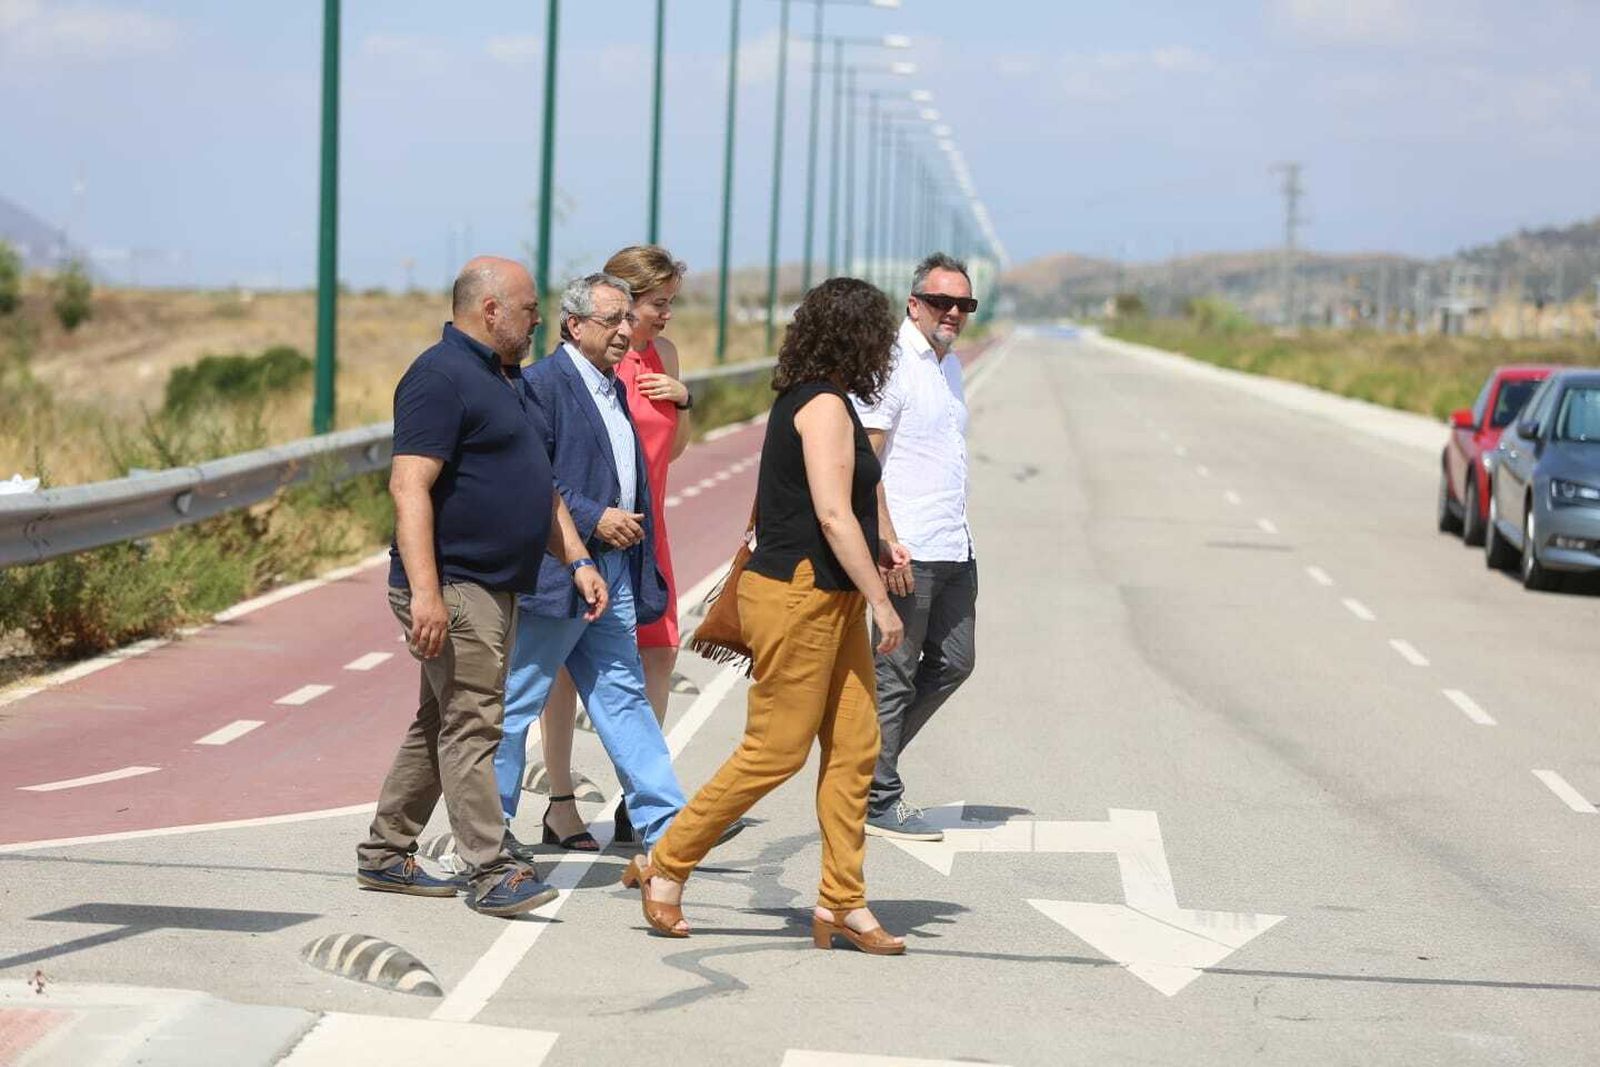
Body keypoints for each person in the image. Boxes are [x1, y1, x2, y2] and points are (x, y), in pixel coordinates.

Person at [621, 277, 909, 956]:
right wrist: (881, 599)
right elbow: (835, 516)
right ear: (857, 335)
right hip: (801, 593)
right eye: (880, 331)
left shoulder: (819, 400)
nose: (887, 345)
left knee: (856, 745)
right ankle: (668, 860)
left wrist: (879, 553)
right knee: (776, 748)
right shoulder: (824, 408)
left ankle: (843, 899)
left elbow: (852, 507)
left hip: (824, 593)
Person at [356, 256, 608, 918]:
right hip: (455, 581)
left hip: (497, 584)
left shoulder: (506, 379)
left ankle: (386, 851)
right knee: (475, 721)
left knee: (442, 718)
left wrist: (578, 558)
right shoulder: (439, 377)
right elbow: (409, 486)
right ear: (490, 310)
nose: (537, 323)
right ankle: (491, 867)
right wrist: (426, 593)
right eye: (528, 310)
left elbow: (539, 486)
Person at [494, 273, 688, 856]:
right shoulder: (543, 386)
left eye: (629, 319)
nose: (626, 332)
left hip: (614, 575)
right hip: (560, 572)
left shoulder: (610, 387)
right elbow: (531, 481)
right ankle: (487, 831)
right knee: (516, 703)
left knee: (622, 693)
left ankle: (668, 826)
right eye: (612, 321)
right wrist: (594, 517)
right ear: (574, 326)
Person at [853, 252, 980, 843]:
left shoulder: (947, 367)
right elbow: (867, 459)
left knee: (955, 662)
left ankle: (861, 767)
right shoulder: (893, 363)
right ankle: (877, 795)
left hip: (954, 545)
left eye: (963, 304)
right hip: (907, 549)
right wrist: (884, 539)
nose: (952, 312)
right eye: (940, 302)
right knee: (896, 673)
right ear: (914, 303)